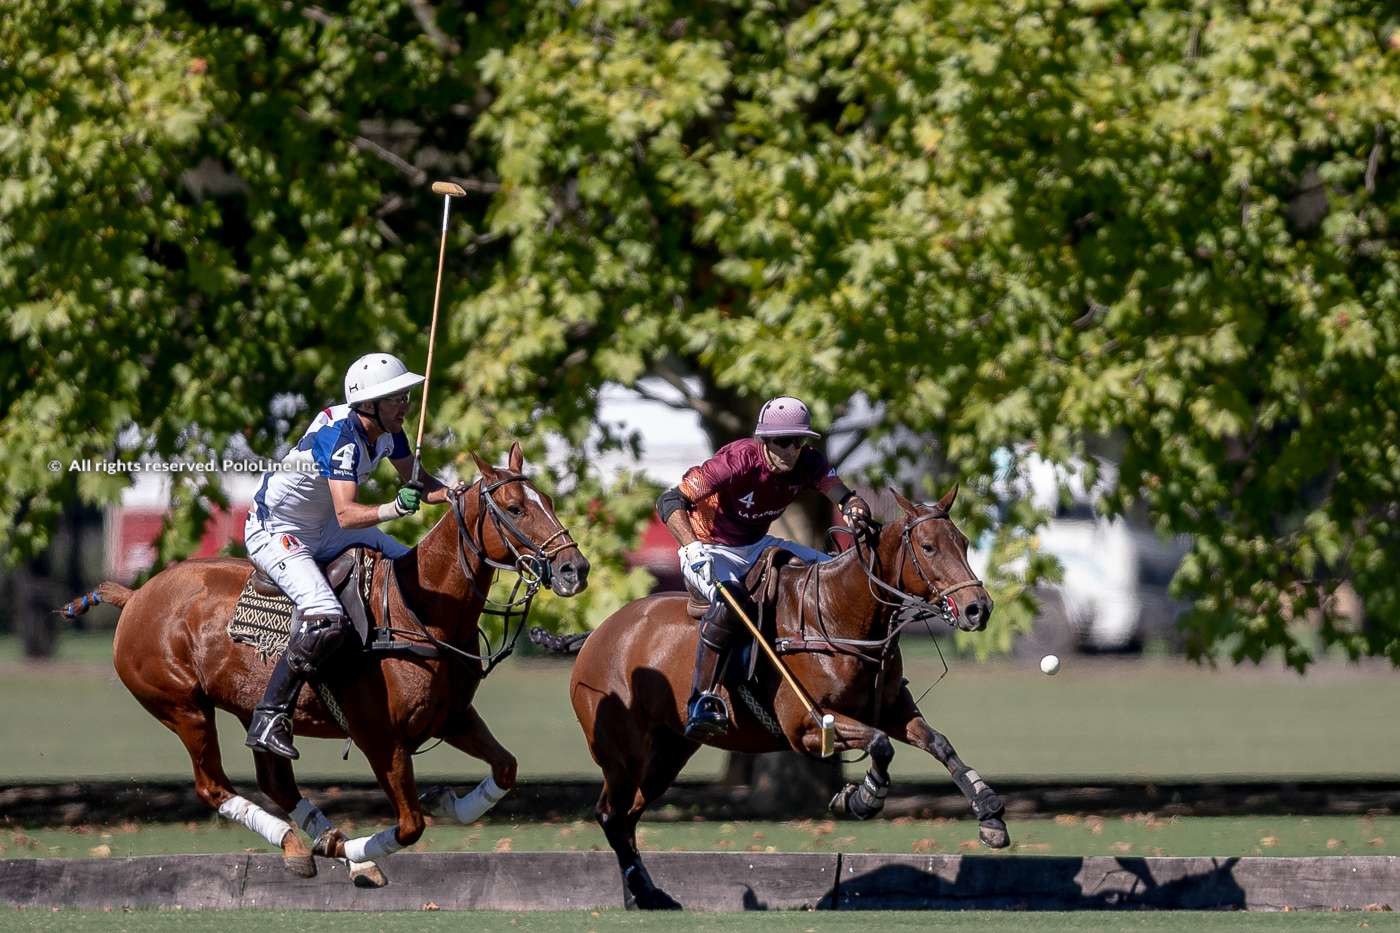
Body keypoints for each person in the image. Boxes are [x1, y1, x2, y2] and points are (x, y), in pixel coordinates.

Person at [243, 352, 461, 760]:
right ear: (369, 405)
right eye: (397, 398)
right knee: (324, 614)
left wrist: (457, 495)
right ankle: (270, 715)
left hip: (326, 528)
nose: (406, 405)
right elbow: (348, 513)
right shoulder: (341, 439)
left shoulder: (389, 430)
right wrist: (395, 508)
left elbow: (421, 481)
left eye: (405, 396)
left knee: (411, 568)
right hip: (278, 530)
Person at [656, 396, 875, 740]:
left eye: (799, 441)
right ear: (764, 441)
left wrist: (855, 508)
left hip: (757, 545)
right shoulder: (737, 460)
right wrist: (691, 547)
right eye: (783, 442)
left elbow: (843, 496)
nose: (792, 450)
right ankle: (703, 699)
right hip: (708, 546)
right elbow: (670, 500)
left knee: (834, 572)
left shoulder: (809, 463)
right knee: (732, 601)